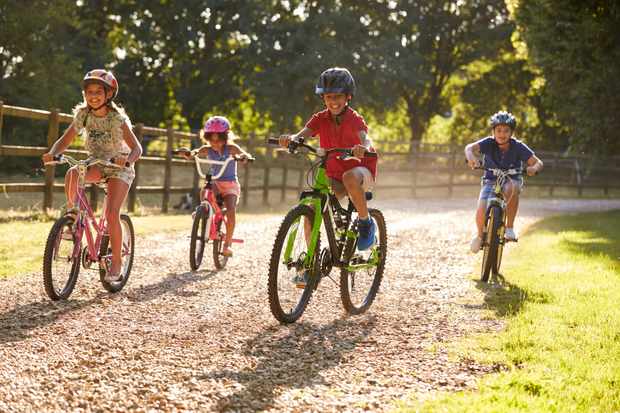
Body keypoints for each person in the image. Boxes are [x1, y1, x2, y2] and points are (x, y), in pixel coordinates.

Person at [42, 69, 142, 281]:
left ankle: (116, 263)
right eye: (89, 91)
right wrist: (54, 153)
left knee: (113, 213)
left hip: (118, 166)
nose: (93, 95)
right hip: (96, 162)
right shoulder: (83, 115)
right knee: (72, 173)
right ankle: (74, 216)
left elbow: (137, 148)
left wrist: (127, 160)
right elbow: (66, 139)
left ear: (109, 95)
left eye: (99, 91)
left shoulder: (117, 119)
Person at [278, 67, 378, 253]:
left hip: (360, 170)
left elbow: (366, 137)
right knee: (311, 211)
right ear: (323, 98)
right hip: (333, 173)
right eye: (328, 96)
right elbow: (301, 135)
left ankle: (366, 223)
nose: (333, 101)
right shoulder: (320, 118)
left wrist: (363, 147)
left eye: (338, 96)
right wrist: (291, 139)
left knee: (349, 177)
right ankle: (311, 262)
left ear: (348, 96)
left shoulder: (353, 118)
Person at [465, 110, 543, 253]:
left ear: (511, 133)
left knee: (511, 188)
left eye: (506, 131)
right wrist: (471, 157)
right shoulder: (488, 143)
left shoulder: (518, 146)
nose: (502, 134)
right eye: (499, 130)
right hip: (490, 180)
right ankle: (479, 235)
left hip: (512, 178)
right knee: (482, 206)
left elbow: (538, 162)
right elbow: (469, 148)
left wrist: (533, 168)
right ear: (493, 131)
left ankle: (510, 227)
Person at [180, 116, 252, 257]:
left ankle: (227, 245)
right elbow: (195, 152)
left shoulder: (231, 148)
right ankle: (203, 209)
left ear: (225, 137)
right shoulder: (207, 149)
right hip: (217, 182)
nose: (215, 143)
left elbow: (243, 153)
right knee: (206, 187)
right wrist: (189, 153)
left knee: (231, 210)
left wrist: (245, 157)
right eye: (211, 140)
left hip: (230, 184)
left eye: (218, 140)